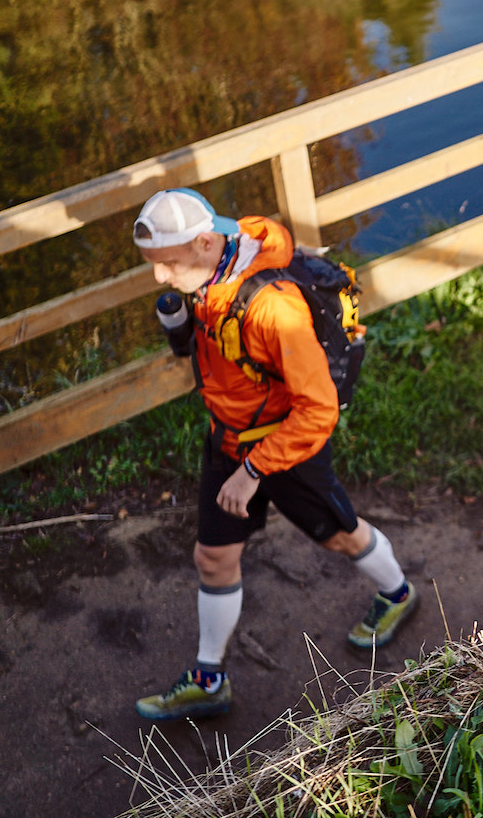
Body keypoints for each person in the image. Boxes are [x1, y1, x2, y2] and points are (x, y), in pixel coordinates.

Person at [131, 188, 418, 721]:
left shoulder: (273, 309)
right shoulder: (209, 270)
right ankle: (209, 677)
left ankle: (397, 592)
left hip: (284, 446)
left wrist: (253, 470)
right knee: (213, 557)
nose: (159, 277)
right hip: (228, 436)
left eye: (166, 264)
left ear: (202, 241)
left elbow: (318, 410)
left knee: (339, 535)